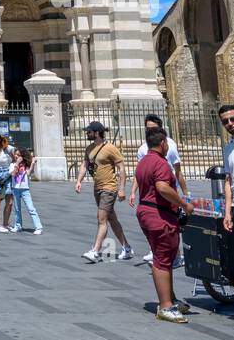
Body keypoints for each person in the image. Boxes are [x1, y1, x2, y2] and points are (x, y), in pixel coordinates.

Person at [133, 127, 194, 322]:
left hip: (145, 212)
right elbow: (162, 187)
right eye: (167, 142)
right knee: (162, 258)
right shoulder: (160, 163)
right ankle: (166, 306)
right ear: (162, 143)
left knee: (163, 256)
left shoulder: (143, 162)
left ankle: (170, 298)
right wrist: (183, 204)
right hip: (159, 215)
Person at [128, 113, 187, 264]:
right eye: (147, 129)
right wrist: (133, 191)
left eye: (153, 128)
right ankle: (159, 253)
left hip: (169, 189)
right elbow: (139, 172)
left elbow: (178, 171)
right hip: (151, 194)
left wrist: (185, 193)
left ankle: (175, 254)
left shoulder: (170, 146)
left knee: (170, 223)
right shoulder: (143, 149)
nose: (150, 131)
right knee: (160, 223)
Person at [75, 121, 133, 262]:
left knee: (101, 219)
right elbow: (84, 165)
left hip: (109, 188)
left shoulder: (110, 148)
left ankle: (95, 251)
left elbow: (121, 169)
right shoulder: (89, 148)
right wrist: (78, 181)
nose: (87, 134)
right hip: (98, 188)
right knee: (111, 219)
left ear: (97, 133)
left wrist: (122, 189)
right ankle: (127, 247)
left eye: (89, 132)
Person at [219, 103, 234, 252]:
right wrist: (227, 212)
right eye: (225, 121)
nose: (230, 124)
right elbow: (228, 181)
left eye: (233, 119)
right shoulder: (228, 148)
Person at [9, 147, 43, 234]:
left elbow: (28, 173)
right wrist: (16, 163)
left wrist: (32, 163)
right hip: (15, 188)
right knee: (17, 209)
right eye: (15, 155)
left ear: (22, 156)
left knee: (31, 208)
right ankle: (18, 225)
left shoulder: (26, 165)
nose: (16, 156)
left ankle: (38, 227)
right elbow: (13, 174)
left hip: (25, 189)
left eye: (18, 155)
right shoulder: (12, 164)